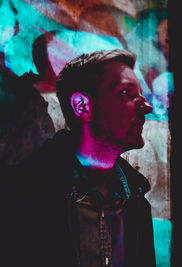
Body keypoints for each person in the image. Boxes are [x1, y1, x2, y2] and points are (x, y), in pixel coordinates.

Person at [3, 49, 155, 267]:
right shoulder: (25, 194)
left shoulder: (137, 202)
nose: (147, 107)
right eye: (126, 93)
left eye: (141, 95)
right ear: (82, 106)